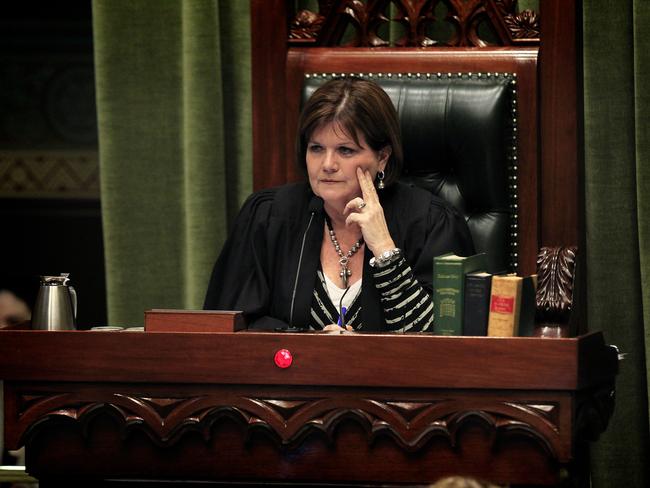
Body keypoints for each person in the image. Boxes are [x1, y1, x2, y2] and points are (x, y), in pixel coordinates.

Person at [204, 77, 474, 331]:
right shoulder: (268, 215)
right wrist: (315, 349)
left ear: (382, 158)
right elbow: (227, 331)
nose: (328, 165)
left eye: (345, 150)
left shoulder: (432, 223)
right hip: (290, 379)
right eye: (316, 148)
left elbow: (440, 342)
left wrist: (384, 251)